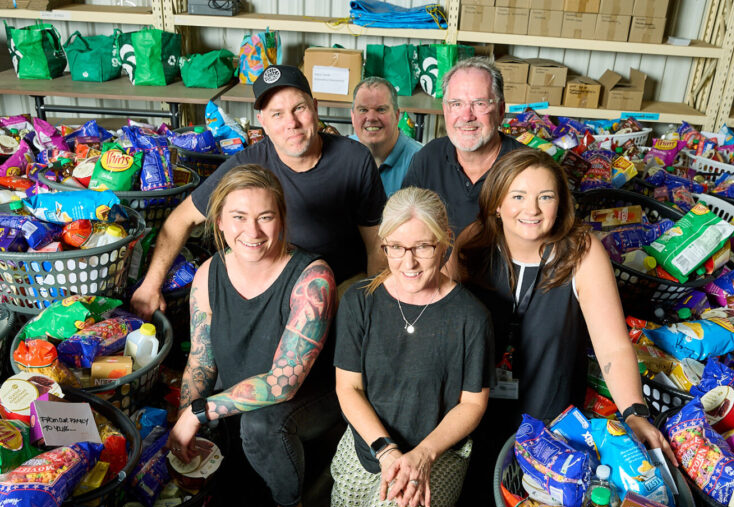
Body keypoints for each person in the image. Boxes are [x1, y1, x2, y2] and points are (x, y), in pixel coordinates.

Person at [452, 148, 674, 507]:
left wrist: (635, 413)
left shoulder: (581, 252)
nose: (532, 209)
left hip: (551, 423)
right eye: (518, 196)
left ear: (561, 203)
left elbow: (613, 347)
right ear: (496, 204)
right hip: (478, 411)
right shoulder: (473, 243)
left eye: (546, 197)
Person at [167, 164, 339, 507]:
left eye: (266, 217)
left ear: (282, 219)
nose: (253, 231)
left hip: (311, 396)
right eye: (239, 217)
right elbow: (200, 359)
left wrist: (200, 412)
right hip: (243, 393)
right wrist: (185, 416)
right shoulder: (209, 273)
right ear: (220, 223)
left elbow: (281, 385)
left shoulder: (313, 278)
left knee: (260, 426)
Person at [131, 64, 387, 320]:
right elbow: (181, 220)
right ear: (262, 122)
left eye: (299, 108)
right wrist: (150, 286)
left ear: (315, 108)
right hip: (273, 294)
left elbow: (377, 243)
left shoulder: (354, 159)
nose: (292, 123)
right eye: (277, 114)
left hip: (341, 289)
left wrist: (366, 306)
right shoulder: (247, 165)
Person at [331, 186, 493, 507]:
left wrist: (422, 455)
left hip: (438, 449)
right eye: (397, 248)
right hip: (371, 439)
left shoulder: (471, 317)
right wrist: (386, 450)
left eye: (423, 246)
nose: (409, 262)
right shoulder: (360, 301)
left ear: (445, 241)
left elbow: (472, 404)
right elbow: (349, 388)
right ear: (384, 243)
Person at [401, 57, 524, 240]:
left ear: (500, 111)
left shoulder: (528, 168)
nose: (467, 116)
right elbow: (403, 228)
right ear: (445, 110)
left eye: (479, 103)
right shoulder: (428, 158)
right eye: (457, 104)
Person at [349, 76, 422, 196]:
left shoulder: (419, 161)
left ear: (397, 115)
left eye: (381, 109)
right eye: (363, 110)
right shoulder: (341, 154)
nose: (371, 117)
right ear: (352, 116)